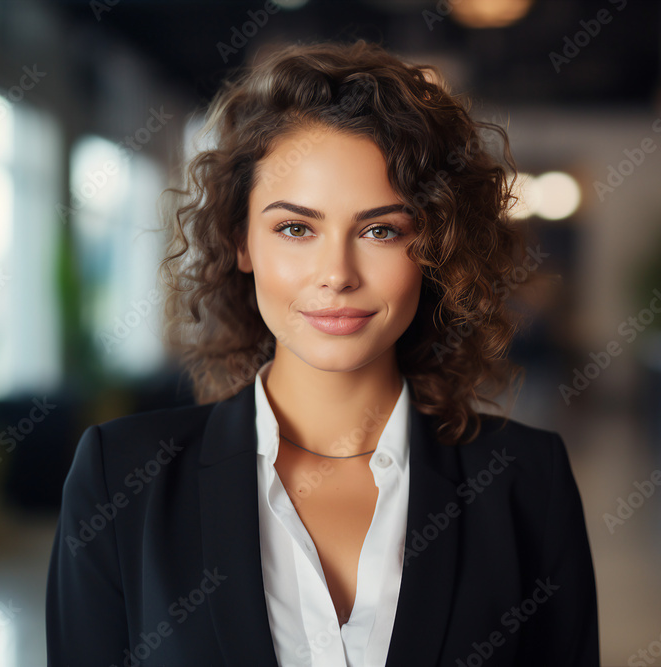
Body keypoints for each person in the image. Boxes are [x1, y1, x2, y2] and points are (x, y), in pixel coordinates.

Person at [46, 38, 599, 666]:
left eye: (380, 230)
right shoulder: (120, 480)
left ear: (436, 248)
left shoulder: (527, 481)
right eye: (296, 228)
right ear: (241, 243)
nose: (336, 273)